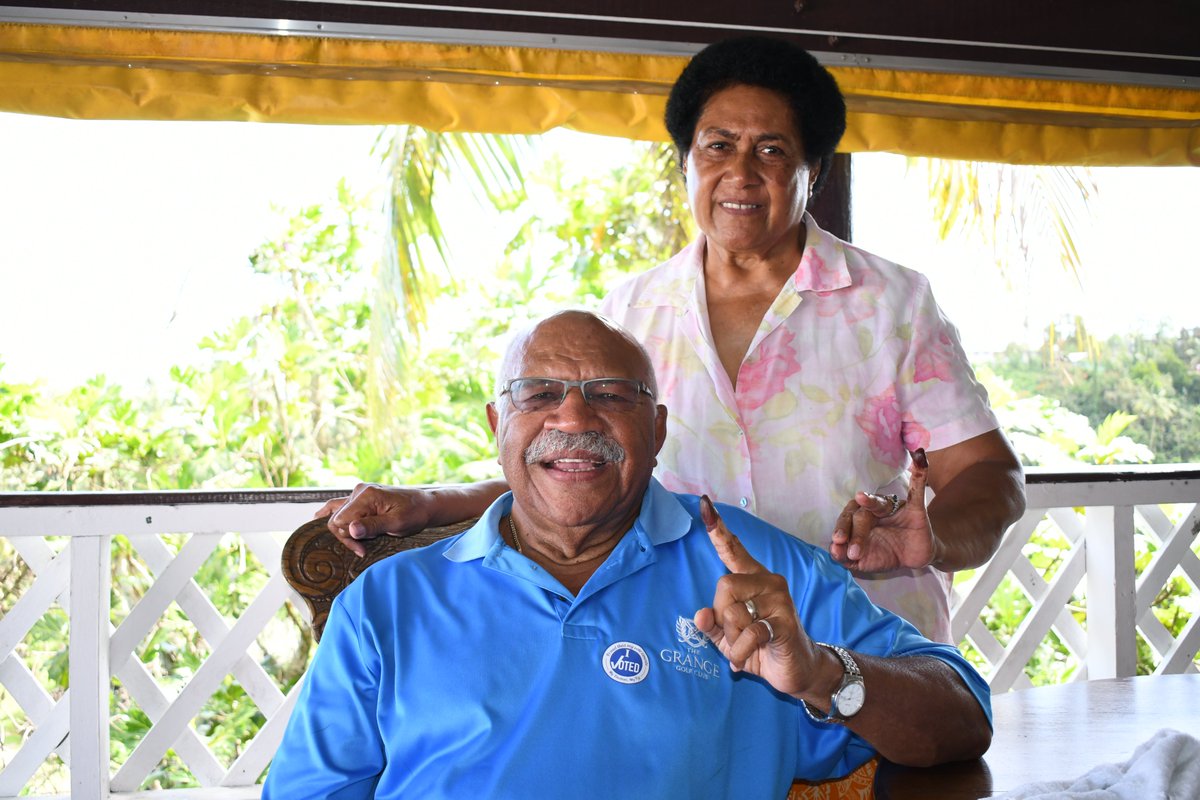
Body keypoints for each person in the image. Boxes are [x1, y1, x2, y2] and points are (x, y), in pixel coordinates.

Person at [317, 36, 1026, 643]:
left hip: (864, 646)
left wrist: (932, 535)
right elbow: (574, 472)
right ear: (685, 162)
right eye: (717, 146)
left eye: (772, 151)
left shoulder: (890, 303)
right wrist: (428, 503)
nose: (740, 174)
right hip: (686, 653)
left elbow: (989, 477)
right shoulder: (629, 314)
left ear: (814, 171)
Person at [266, 311, 991, 799]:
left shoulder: (756, 572)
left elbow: (963, 717)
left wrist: (825, 671)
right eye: (539, 393)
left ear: (657, 430)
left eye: (610, 395)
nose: (574, 417)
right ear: (498, 424)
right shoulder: (389, 603)